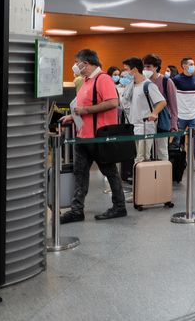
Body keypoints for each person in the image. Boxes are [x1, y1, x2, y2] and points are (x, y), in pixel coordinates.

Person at [59, 49, 127, 223]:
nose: (76, 66)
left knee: (109, 171)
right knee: (80, 173)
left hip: (99, 136)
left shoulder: (103, 79)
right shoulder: (86, 81)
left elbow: (113, 103)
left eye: (77, 62)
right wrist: (73, 117)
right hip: (83, 135)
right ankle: (76, 210)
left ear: (86, 63)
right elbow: (82, 106)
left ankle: (119, 207)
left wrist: (85, 110)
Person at [121, 57, 167, 163]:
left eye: (126, 69)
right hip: (132, 126)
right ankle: (138, 178)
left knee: (142, 158)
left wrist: (154, 113)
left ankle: (144, 179)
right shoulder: (130, 86)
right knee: (136, 157)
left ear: (135, 69)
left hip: (145, 127)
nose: (125, 73)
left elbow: (162, 102)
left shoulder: (148, 85)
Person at [143, 53, 178, 163]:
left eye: (148, 66)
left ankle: (164, 176)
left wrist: (173, 124)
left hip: (162, 120)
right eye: (144, 66)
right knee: (145, 151)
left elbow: (173, 105)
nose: (145, 69)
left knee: (162, 150)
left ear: (156, 67)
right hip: (145, 120)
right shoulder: (142, 81)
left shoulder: (166, 81)